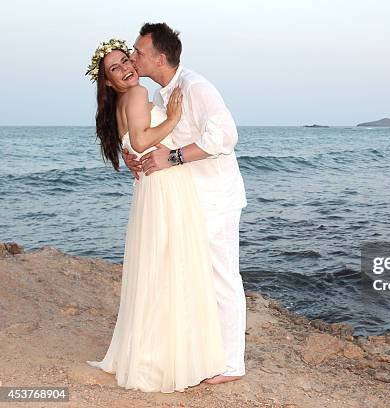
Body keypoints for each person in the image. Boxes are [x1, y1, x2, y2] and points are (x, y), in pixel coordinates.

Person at [84, 38, 227, 393]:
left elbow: (133, 144)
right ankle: (167, 358)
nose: (126, 68)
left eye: (126, 60)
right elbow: (144, 140)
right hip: (165, 187)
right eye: (115, 68)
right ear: (108, 81)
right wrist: (175, 117)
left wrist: (136, 152)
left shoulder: (125, 101)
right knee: (171, 267)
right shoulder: (134, 96)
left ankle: (157, 352)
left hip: (153, 188)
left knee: (157, 268)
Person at [123, 23, 248, 384]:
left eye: (139, 51)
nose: (134, 57)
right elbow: (151, 137)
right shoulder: (164, 94)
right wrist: (133, 154)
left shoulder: (195, 87)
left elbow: (225, 136)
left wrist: (173, 157)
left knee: (222, 277)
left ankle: (232, 364)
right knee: (195, 278)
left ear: (160, 57)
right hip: (188, 201)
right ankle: (205, 354)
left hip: (215, 198)